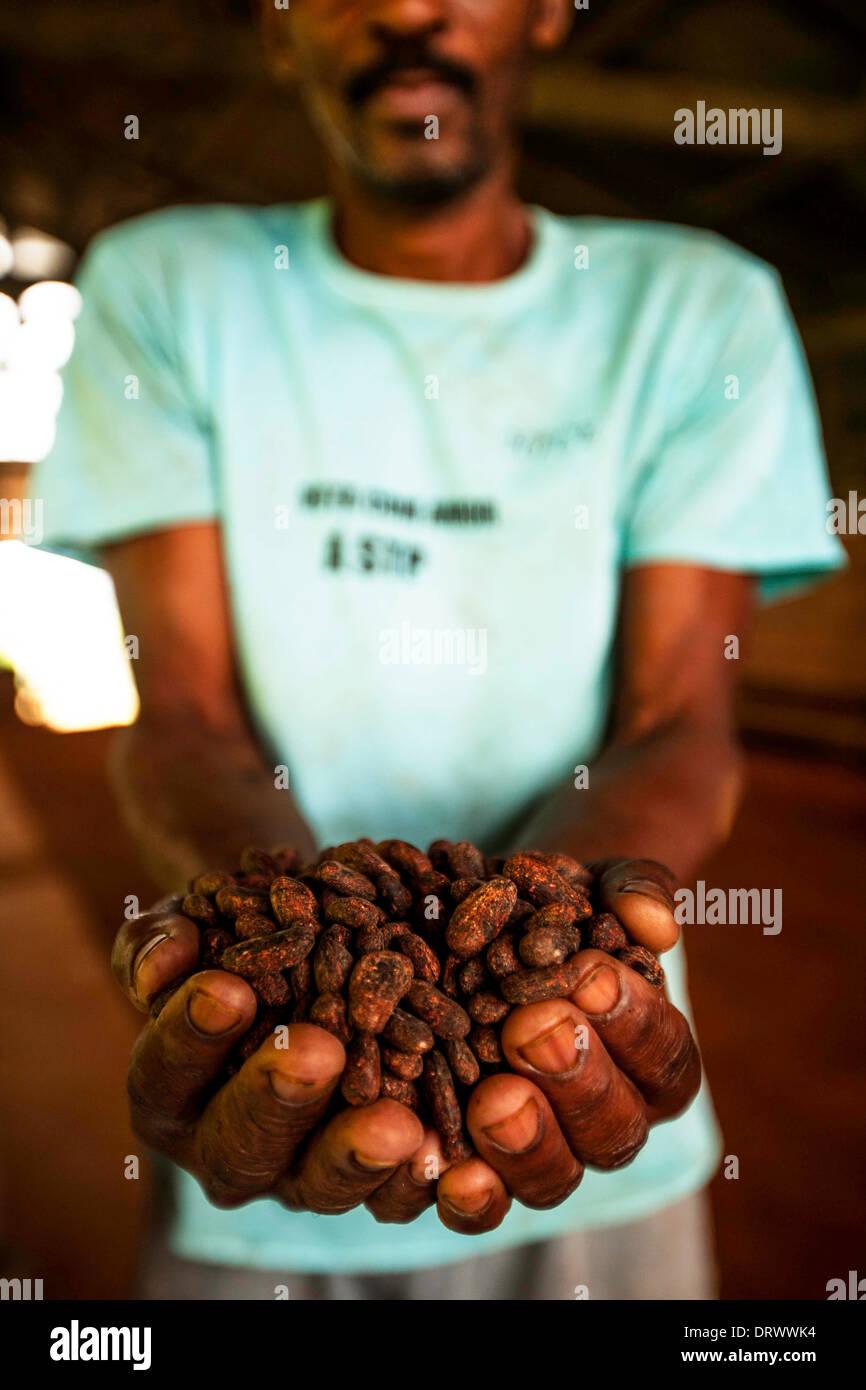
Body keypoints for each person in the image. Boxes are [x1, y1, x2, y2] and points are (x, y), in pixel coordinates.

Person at [33, 0, 843, 1299]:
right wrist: (270, 962)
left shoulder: (697, 310)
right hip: (271, 1104)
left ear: (545, 13)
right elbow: (180, 706)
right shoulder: (164, 285)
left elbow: (677, 720)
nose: (407, 11)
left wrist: (559, 947)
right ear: (275, 27)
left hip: (589, 1090)